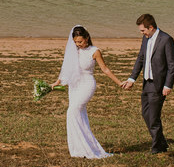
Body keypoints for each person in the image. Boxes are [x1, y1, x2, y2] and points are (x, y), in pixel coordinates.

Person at [50, 25, 124, 158]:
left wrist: (119, 82)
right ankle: (79, 148)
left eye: (80, 41)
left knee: (72, 111)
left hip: (87, 84)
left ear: (87, 38)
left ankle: (88, 148)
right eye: (76, 42)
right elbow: (67, 69)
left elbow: (105, 69)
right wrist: (57, 82)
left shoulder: (95, 51)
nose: (78, 44)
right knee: (77, 114)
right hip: (74, 86)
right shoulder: (74, 51)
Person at [121, 13, 174, 154]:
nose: (142, 33)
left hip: (159, 85)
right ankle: (162, 143)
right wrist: (132, 79)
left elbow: (172, 64)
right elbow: (140, 59)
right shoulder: (145, 39)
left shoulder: (166, 39)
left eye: (143, 30)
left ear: (150, 27)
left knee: (153, 117)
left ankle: (157, 148)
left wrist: (168, 85)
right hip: (146, 83)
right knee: (146, 114)